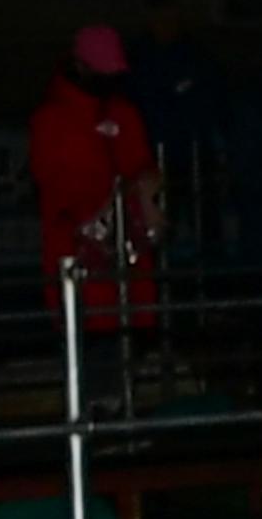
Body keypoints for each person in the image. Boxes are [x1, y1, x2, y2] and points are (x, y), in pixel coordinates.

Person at [28, 22, 162, 338]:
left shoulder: (123, 113)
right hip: (81, 256)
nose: (110, 80)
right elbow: (59, 193)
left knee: (132, 339)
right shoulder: (52, 120)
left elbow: (141, 165)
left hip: (129, 254)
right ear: (80, 66)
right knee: (93, 342)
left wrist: (147, 186)